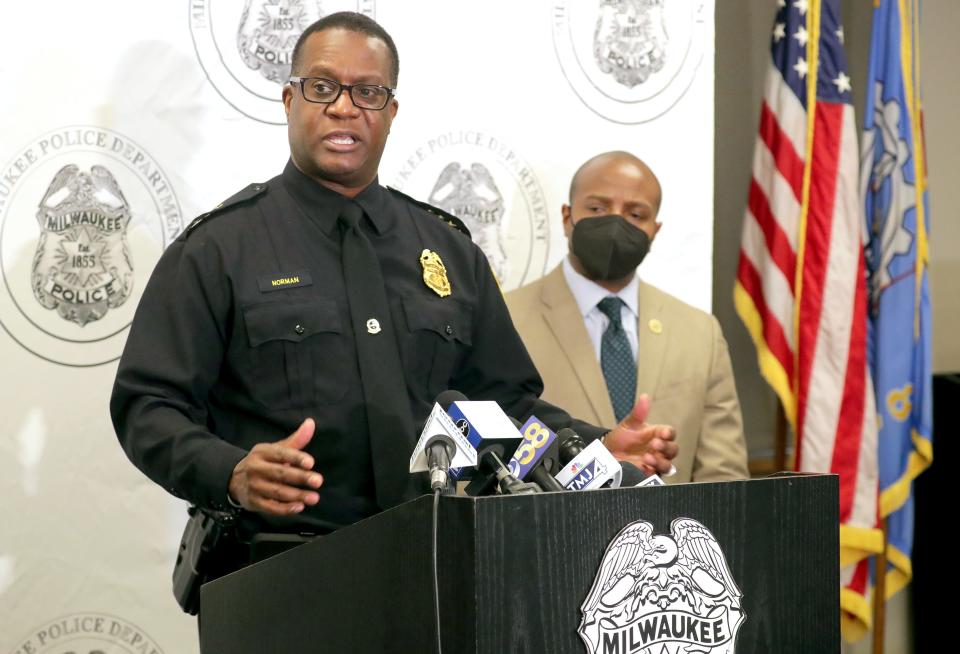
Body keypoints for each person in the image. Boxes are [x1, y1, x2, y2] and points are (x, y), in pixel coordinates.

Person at [109, 15, 678, 569]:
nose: (343, 106)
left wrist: (596, 445)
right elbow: (147, 405)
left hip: (435, 568)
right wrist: (229, 472)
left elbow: (508, 407)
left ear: (391, 111)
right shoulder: (220, 249)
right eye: (322, 86)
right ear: (289, 100)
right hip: (280, 573)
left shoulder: (450, 251)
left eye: (368, 91)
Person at [505, 152, 748, 483]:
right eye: (597, 209)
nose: (615, 223)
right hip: (544, 530)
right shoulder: (506, 318)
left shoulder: (700, 333)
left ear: (654, 230)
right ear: (566, 217)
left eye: (636, 214)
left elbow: (724, 477)